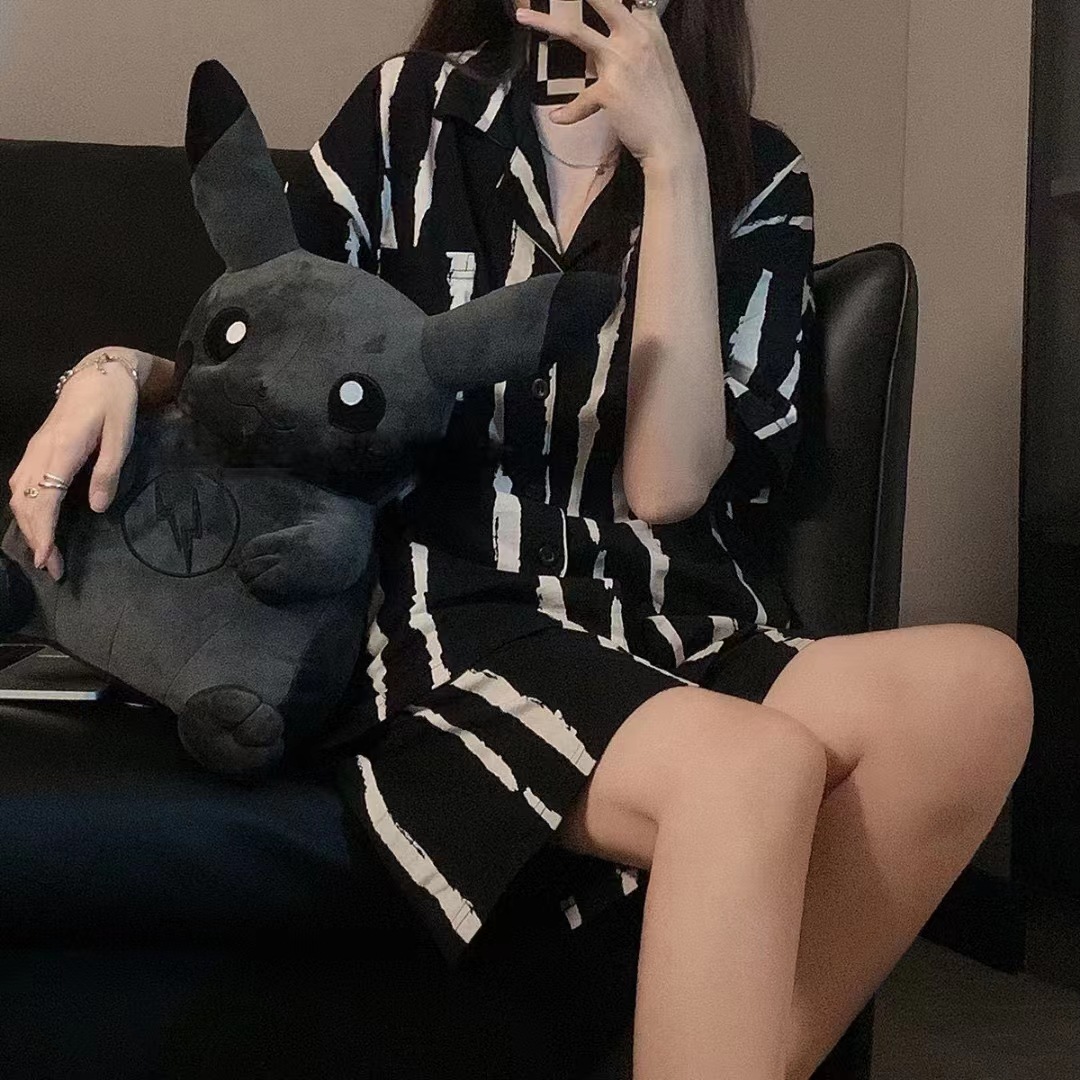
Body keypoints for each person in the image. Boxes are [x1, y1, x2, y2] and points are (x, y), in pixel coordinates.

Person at [7, 1, 1034, 1076]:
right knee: (749, 769)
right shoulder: (410, 111)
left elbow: (668, 482)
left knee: (975, 690)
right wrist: (115, 370)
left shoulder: (757, 173)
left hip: (671, 615)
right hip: (454, 610)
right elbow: (267, 340)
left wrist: (675, 161)